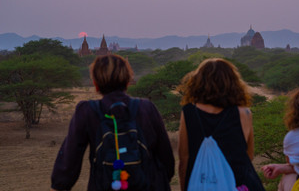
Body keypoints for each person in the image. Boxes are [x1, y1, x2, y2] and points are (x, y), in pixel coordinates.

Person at [51, 54, 175, 191]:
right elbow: (166, 160)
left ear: (95, 84)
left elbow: (68, 162)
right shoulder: (146, 108)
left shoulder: (87, 111)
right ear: (128, 81)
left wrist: (59, 185)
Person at [178, 58, 265, 191]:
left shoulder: (189, 112)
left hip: (202, 184)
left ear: (198, 82)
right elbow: (248, 155)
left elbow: (184, 159)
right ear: (233, 83)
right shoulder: (244, 113)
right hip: (239, 184)